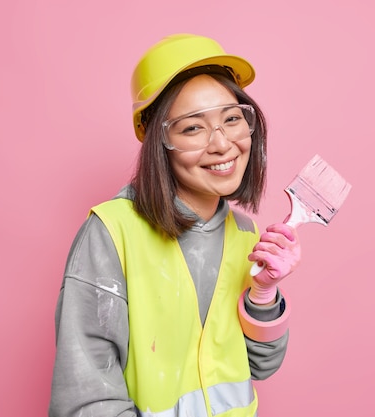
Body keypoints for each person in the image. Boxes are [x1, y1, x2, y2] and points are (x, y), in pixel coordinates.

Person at [49, 33, 301, 417]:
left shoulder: (245, 233)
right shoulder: (111, 233)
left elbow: (259, 366)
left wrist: (263, 295)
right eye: (192, 128)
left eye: (232, 119)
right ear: (158, 141)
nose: (222, 144)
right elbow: (85, 396)